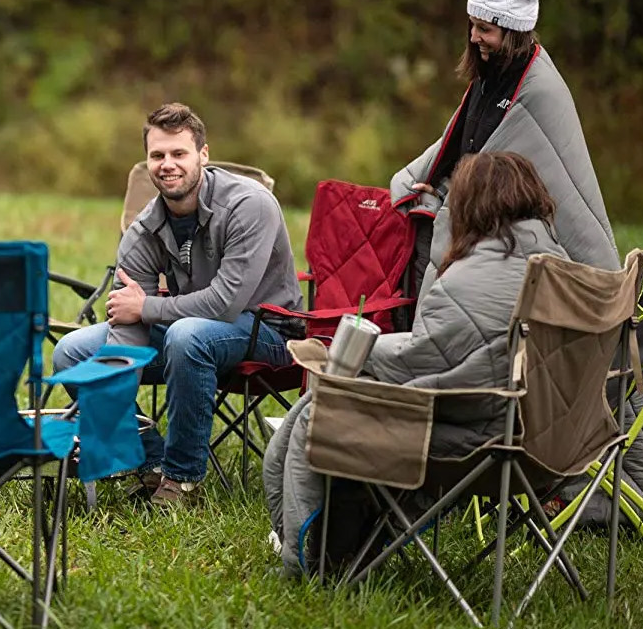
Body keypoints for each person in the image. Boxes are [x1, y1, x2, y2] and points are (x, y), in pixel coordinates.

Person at [265, 152, 568, 577]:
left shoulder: (469, 280)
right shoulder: (563, 269)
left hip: (483, 440)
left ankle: (308, 561)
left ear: (471, 205)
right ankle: (345, 547)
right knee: (332, 402)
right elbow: (450, 348)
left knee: (322, 413)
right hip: (554, 439)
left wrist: (349, 353)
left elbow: (416, 360)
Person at [52, 103, 304, 506]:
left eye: (178, 153)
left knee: (188, 336)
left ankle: (183, 479)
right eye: (157, 155)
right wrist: (114, 390)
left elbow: (224, 303)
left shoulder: (249, 204)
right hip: (190, 328)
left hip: (268, 330)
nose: (167, 165)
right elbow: (128, 326)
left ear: (203, 155)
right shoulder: (145, 229)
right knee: (74, 352)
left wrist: (147, 308)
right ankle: (150, 461)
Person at [391, 0, 618, 302]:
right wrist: (437, 184)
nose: (474, 37)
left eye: (485, 29)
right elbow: (468, 146)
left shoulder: (539, 90)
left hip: (508, 230)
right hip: (475, 210)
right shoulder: (489, 74)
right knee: (417, 224)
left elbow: (549, 181)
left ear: (512, 31)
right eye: (472, 25)